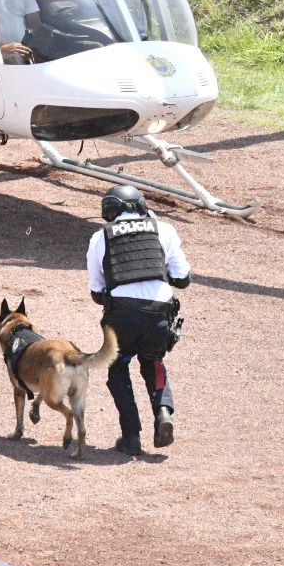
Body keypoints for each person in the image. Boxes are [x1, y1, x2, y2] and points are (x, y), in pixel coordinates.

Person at [87, 185, 189, 456]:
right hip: (159, 314)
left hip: (121, 316)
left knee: (118, 368)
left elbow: (97, 293)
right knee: (153, 361)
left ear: (110, 211)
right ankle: (163, 412)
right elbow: (183, 278)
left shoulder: (100, 238)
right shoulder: (164, 229)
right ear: (140, 205)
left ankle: (131, 436)